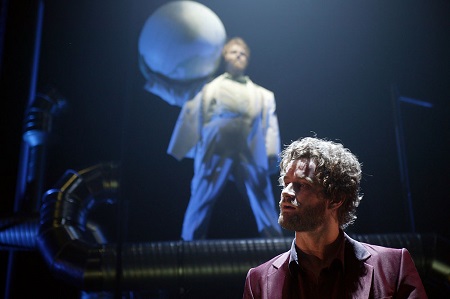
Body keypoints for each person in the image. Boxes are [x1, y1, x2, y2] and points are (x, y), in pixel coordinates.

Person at [243, 137, 428, 298]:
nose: (286, 192)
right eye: (286, 183)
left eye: (302, 185)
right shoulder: (258, 280)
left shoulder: (393, 267)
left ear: (336, 198)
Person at [167, 37, 283, 241]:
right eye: (234, 52)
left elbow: (269, 124)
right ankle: (189, 242)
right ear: (224, 56)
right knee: (203, 192)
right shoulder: (207, 87)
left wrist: (272, 153)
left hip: (250, 144)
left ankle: (275, 244)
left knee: (261, 194)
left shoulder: (263, 94)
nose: (239, 55)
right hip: (217, 142)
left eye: (243, 53)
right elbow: (184, 101)